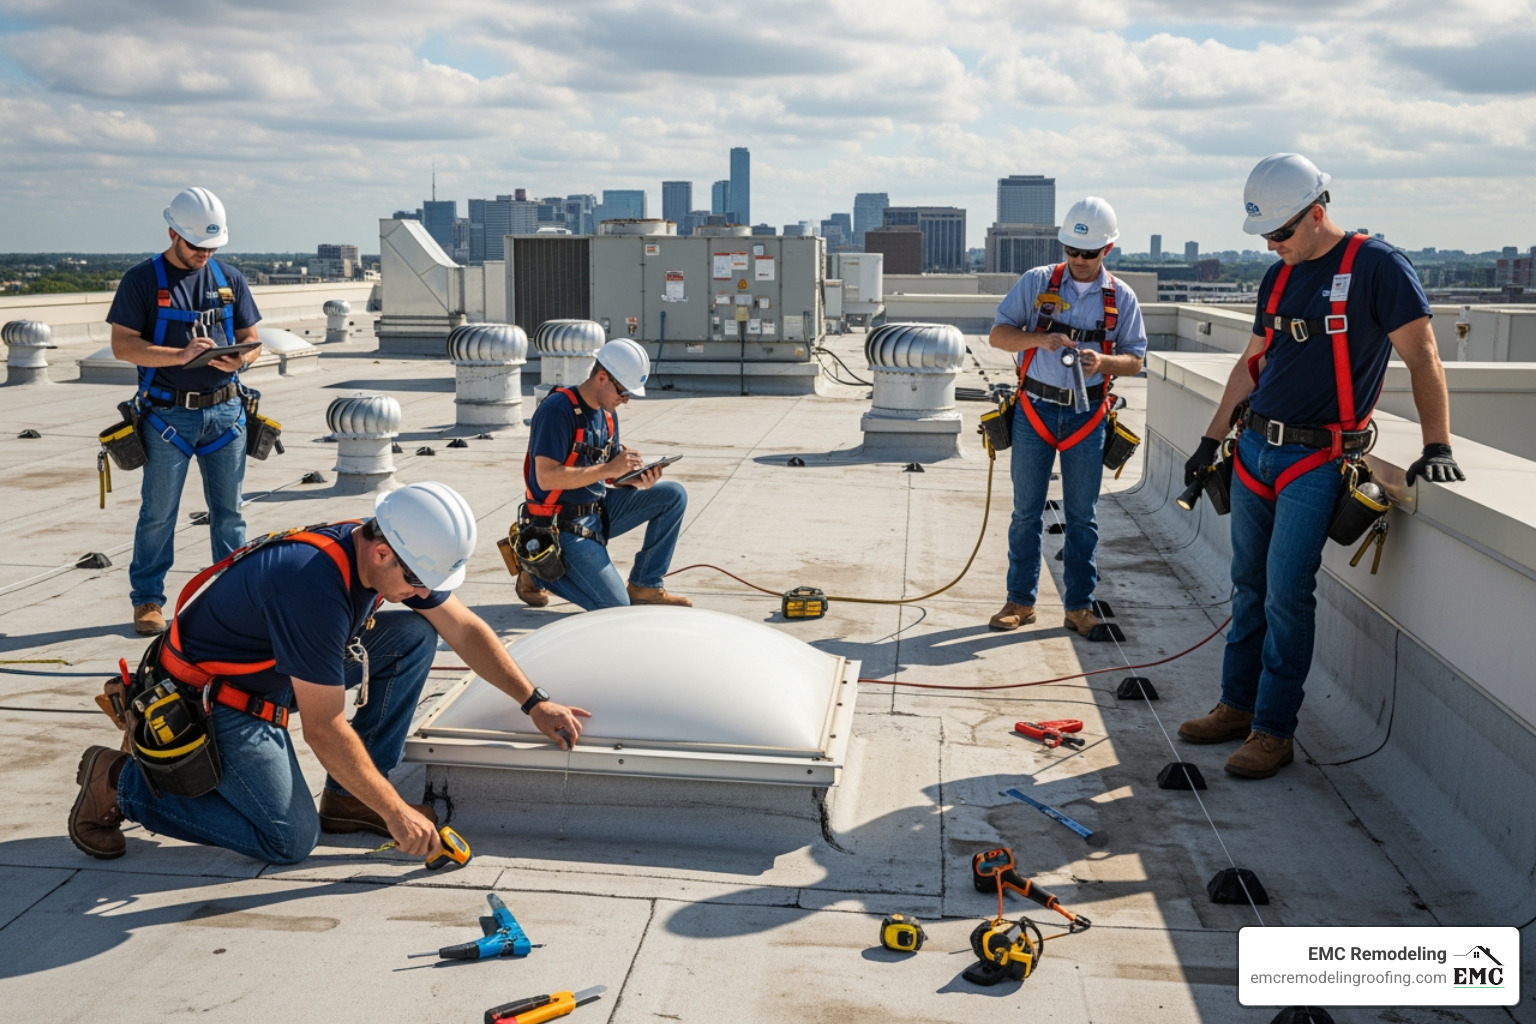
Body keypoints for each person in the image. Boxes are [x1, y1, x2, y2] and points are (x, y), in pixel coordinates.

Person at [68, 482, 590, 864]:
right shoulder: (311, 590)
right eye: (415, 581)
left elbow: (463, 628)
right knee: (288, 840)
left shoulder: (384, 552)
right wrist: (394, 813)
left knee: (411, 635)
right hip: (214, 700)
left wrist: (533, 701)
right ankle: (119, 783)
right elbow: (324, 727)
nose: (419, 592)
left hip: (273, 667)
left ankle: (348, 797)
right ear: (383, 551)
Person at [1177, 154, 1464, 779]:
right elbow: (1251, 365)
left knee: (1286, 594)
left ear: (1316, 212)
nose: (1272, 246)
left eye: (1281, 234)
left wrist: (1437, 445)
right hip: (1254, 450)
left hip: (1319, 457)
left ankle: (1273, 731)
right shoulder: (1277, 278)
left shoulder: (1376, 267)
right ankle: (1236, 704)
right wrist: (1210, 441)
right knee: (1247, 585)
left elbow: (1424, 357)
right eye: (1265, 237)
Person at [987, 197, 1148, 638]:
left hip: (1087, 414)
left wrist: (1104, 363)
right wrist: (1040, 339)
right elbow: (998, 335)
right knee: (1026, 512)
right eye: (1071, 251)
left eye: (1088, 253)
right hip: (1036, 410)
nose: (1078, 260)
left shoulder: (1121, 297)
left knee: (1083, 516)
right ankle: (1020, 601)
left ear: (1107, 250)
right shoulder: (1037, 283)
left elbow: (1135, 359)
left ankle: (1078, 606)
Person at [108, 187, 263, 637]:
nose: (204, 254)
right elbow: (123, 345)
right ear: (172, 233)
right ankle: (148, 601)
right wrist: (179, 356)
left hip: (226, 412)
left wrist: (242, 359)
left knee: (230, 512)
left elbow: (253, 338)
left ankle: (233, 598)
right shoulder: (141, 281)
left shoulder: (228, 277)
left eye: (212, 246)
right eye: (196, 246)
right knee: (158, 513)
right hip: (167, 416)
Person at [514, 338, 692, 610]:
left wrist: (632, 477)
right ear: (601, 377)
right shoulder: (557, 410)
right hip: (561, 522)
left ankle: (645, 585)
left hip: (598, 510)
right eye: (623, 393)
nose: (625, 400)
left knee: (673, 495)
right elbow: (546, 477)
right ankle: (536, 568)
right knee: (615, 608)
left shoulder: (606, 415)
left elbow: (603, 473)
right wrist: (611, 468)